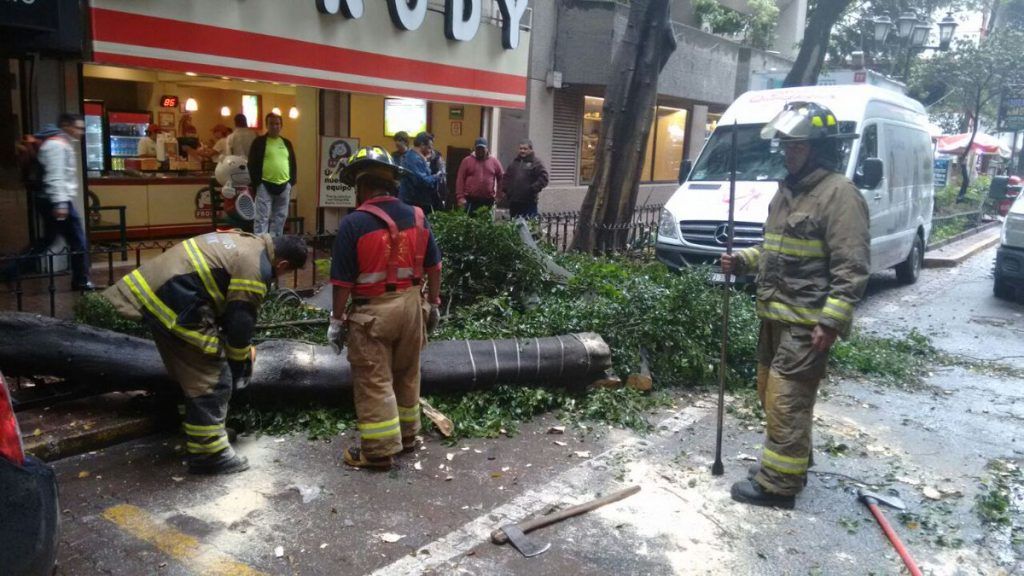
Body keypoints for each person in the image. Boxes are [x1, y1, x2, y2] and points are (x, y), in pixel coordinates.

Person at [721, 101, 870, 508]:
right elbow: (774, 248)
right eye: (786, 146)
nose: (789, 153)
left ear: (820, 149)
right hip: (774, 315)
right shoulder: (787, 191)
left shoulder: (840, 195)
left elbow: (852, 266)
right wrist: (744, 260)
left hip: (806, 324)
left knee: (787, 401)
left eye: (797, 147)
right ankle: (790, 463)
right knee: (769, 394)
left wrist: (831, 322)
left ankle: (779, 486)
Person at [102, 232, 308, 474]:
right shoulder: (255, 268)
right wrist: (238, 363)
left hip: (159, 294)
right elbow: (241, 319)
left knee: (187, 374)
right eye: (286, 272)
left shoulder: (248, 242)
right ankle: (209, 453)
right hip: (179, 304)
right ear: (283, 264)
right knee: (213, 379)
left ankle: (201, 432)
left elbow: (221, 293)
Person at [327, 146, 442, 470]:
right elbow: (435, 267)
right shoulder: (418, 216)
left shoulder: (353, 224)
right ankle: (407, 436)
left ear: (362, 186)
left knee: (374, 379)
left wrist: (337, 320)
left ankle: (378, 452)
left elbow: (342, 283)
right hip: (413, 307)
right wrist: (434, 304)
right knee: (407, 373)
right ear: (391, 183)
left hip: (373, 314)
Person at [3, 113, 94, 290]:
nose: (81, 132)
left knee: (47, 241)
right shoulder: (57, 145)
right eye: (78, 127)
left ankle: (10, 271)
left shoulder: (57, 142)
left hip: (50, 199)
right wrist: (61, 204)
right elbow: (56, 176)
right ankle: (81, 280)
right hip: (56, 200)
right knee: (78, 241)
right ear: (66, 126)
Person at [248, 112, 298, 237]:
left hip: (284, 185)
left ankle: (275, 242)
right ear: (267, 125)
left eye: (277, 124)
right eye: (271, 124)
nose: (274, 126)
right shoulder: (259, 142)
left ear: (281, 125)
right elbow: (252, 163)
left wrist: (291, 182)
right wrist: (258, 183)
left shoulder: (287, 143)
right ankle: (260, 244)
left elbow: (292, 163)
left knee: (280, 217)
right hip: (264, 185)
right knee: (262, 217)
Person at [501, 139, 549, 218]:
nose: (522, 151)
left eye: (525, 149)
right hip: (514, 202)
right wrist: (506, 190)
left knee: (528, 224)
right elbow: (506, 177)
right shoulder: (514, 162)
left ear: (531, 150)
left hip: (528, 203)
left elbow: (544, 178)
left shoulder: (536, 163)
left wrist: (533, 188)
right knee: (515, 224)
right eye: (521, 148)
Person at [455, 137, 504, 214]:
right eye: (478, 149)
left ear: (487, 149)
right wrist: (460, 197)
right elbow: (460, 179)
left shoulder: (494, 162)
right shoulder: (466, 161)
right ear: (475, 149)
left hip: (488, 200)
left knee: (485, 220)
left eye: (482, 148)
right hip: (470, 200)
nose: (480, 151)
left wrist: (499, 196)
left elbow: (501, 178)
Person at [398, 132, 441, 214]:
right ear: (422, 145)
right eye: (429, 147)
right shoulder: (414, 159)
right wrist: (437, 176)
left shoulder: (412, 156)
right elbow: (422, 181)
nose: (431, 150)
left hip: (413, 202)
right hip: (413, 203)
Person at [426, 135, 447, 210]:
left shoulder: (437, 156)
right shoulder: (417, 156)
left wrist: (438, 176)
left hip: (435, 189)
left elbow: (442, 171)